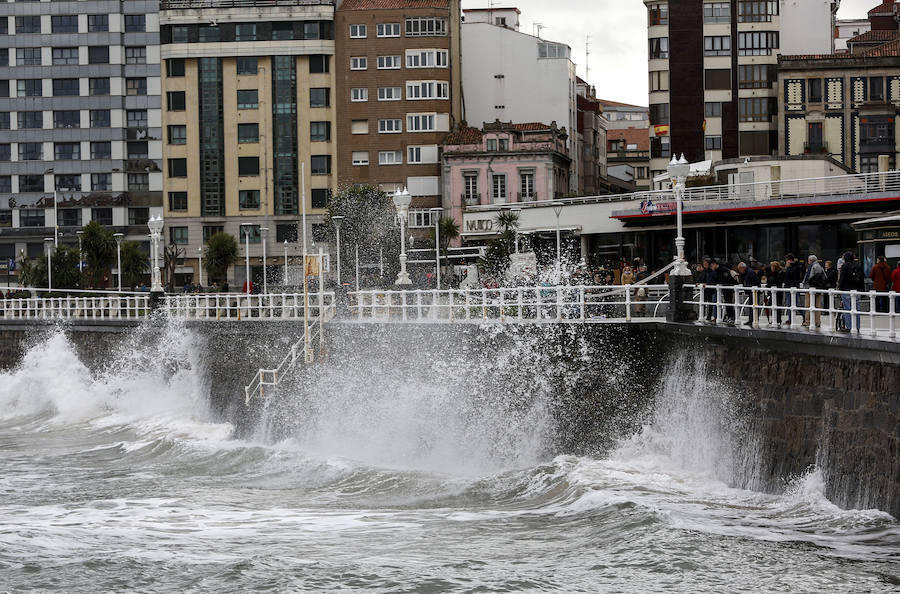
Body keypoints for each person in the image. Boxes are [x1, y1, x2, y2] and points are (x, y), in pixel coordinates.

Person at [837, 251, 864, 331]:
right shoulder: (858, 265)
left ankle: (849, 326)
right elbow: (861, 278)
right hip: (856, 290)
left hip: (846, 290)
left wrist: (840, 288)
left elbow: (842, 279)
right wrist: (861, 289)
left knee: (847, 309)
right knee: (857, 309)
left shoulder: (844, 266)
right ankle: (857, 326)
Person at [802, 255, 826, 328]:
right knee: (817, 306)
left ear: (810, 260)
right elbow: (824, 277)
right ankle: (817, 321)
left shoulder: (813, 267)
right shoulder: (819, 266)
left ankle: (808, 321)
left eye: (808, 260)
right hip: (817, 289)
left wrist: (805, 283)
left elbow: (809, 277)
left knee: (808, 305)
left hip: (811, 288)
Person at [783, 253, 803, 324]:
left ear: (789, 260)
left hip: (793, 288)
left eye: (786, 260)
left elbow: (792, 276)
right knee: (789, 304)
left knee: (797, 304)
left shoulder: (795, 267)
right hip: (789, 287)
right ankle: (790, 319)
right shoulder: (791, 267)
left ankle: (804, 316)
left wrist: (788, 268)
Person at [768, 261, 784, 325]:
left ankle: (777, 319)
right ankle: (777, 319)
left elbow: (772, 282)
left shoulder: (775, 275)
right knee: (776, 306)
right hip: (778, 292)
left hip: (776, 293)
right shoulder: (780, 274)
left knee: (775, 306)